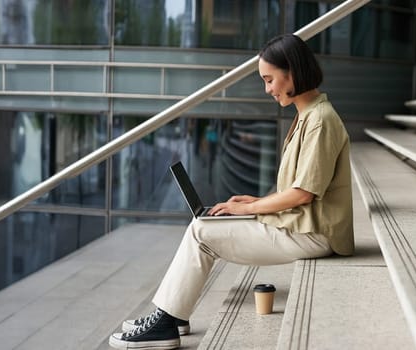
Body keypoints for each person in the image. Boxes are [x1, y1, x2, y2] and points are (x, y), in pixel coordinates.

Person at [109, 34, 354, 350]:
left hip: (314, 233)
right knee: (205, 224)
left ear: (291, 71)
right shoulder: (309, 115)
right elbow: (300, 188)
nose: (267, 89)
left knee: (201, 232)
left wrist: (245, 210)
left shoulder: (320, 120)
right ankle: (172, 314)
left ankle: (167, 321)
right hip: (304, 225)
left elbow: (303, 194)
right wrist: (255, 202)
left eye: (269, 79)